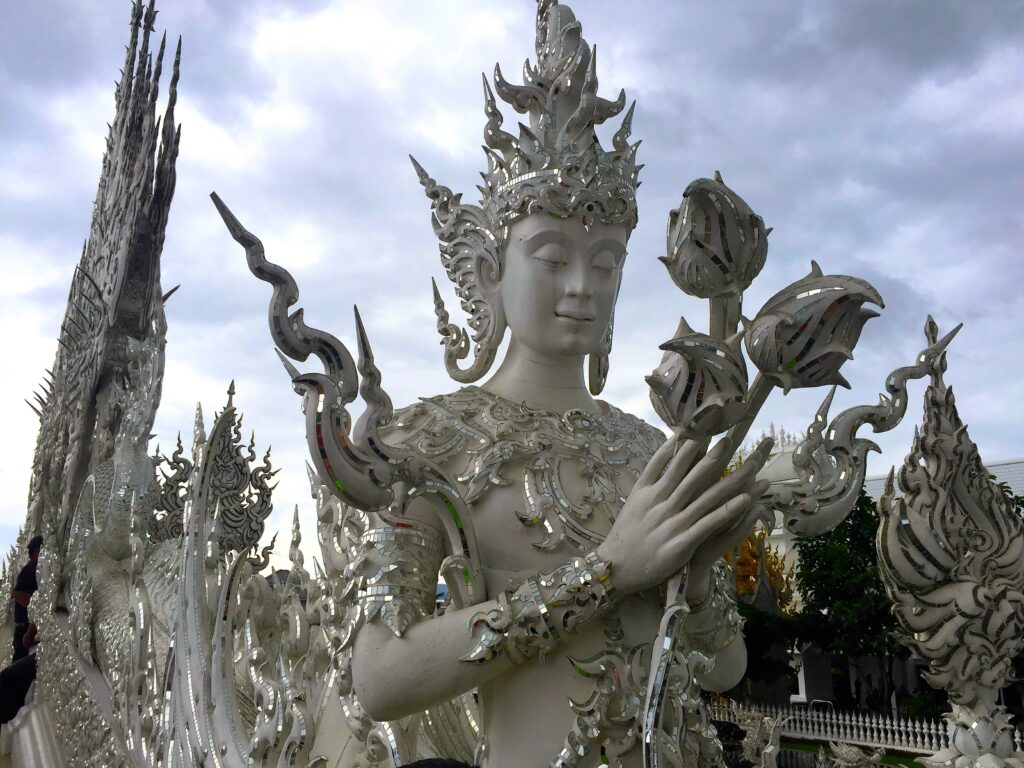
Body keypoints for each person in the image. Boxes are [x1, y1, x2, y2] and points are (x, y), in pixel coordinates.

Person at [10, 535, 42, 663]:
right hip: (23, 628)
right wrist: (33, 606)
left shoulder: (37, 568)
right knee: (18, 664)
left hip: (27, 628)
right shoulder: (30, 568)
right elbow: (16, 594)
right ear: (37, 551)